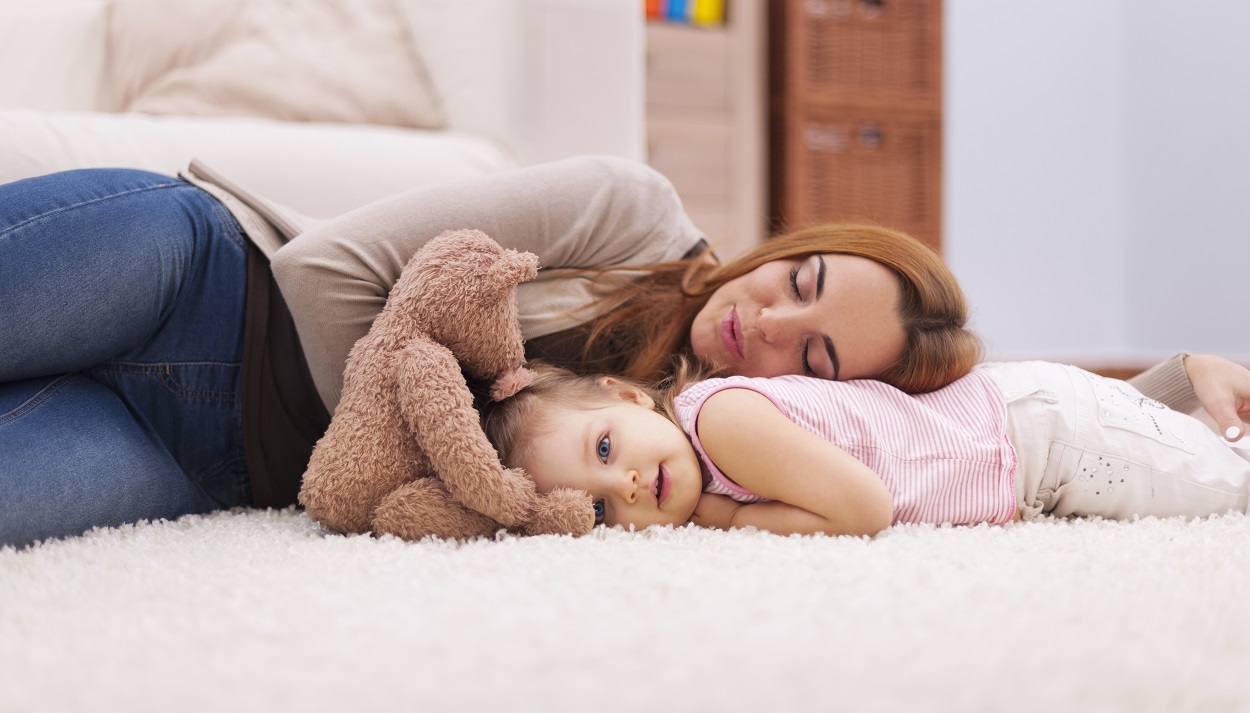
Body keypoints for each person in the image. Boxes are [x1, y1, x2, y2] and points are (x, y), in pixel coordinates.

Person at [2, 156, 1246, 547]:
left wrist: (1163, 380)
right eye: (794, 280)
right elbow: (324, 276)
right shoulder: (626, 211)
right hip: (204, 281)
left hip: (208, 457)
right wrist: (452, 401)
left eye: (812, 359)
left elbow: (975, 430)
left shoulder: (673, 454)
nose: (763, 322)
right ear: (786, 243)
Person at [482, 357, 1250, 536]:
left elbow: (865, 508)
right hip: (1030, 447)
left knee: (1228, 487)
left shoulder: (721, 423)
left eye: (607, 445)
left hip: (1043, 433)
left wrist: (723, 519)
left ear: (626, 394)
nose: (625, 485)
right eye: (595, 503)